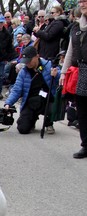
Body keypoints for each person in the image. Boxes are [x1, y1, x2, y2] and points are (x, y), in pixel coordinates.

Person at [4, 45, 60, 134]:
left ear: (37, 56)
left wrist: (56, 75)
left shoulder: (49, 65)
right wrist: (8, 103)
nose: (27, 63)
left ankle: (49, 122)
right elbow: (16, 89)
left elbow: (60, 79)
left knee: (52, 108)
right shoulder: (23, 72)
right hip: (30, 101)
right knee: (23, 129)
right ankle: (32, 119)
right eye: (25, 61)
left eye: (29, 61)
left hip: (47, 100)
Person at [60, 0, 87, 158]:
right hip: (81, 71)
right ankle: (85, 145)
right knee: (82, 112)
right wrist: (63, 72)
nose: (82, 4)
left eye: (85, 1)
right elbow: (70, 50)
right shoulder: (76, 27)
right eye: (80, 1)